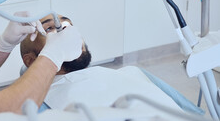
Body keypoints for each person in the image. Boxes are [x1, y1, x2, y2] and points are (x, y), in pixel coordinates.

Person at [19, 14, 205, 115]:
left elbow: (194, 115)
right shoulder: (38, 108)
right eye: (50, 28)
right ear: (31, 61)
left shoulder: (132, 72)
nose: (67, 33)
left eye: (68, 26)